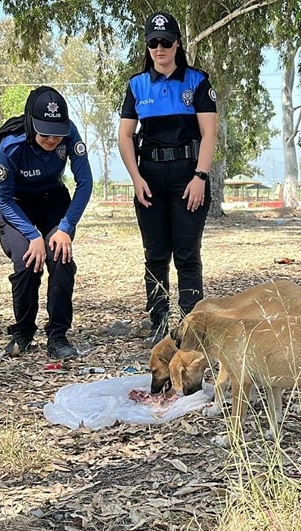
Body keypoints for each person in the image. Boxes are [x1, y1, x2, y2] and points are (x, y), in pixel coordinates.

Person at [117, 11, 218, 344]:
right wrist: (135, 178)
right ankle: (159, 324)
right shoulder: (136, 86)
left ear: (177, 43)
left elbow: (209, 133)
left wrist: (201, 176)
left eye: (165, 42)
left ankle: (191, 327)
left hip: (188, 178)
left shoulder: (197, 82)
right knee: (156, 255)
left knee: (187, 255)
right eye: (152, 43)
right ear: (147, 47)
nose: (159, 49)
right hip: (150, 181)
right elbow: (125, 136)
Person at [0, 86, 93, 360]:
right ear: (30, 123)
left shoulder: (70, 134)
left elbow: (85, 184)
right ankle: (22, 332)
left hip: (52, 200)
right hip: (15, 203)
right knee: (28, 261)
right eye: (45, 132)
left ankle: (58, 336)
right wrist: (32, 235)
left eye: (57, 132)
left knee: (60, 258)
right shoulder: (11, 145)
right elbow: (1, 197)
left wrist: (66, 227)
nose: (52, 139)